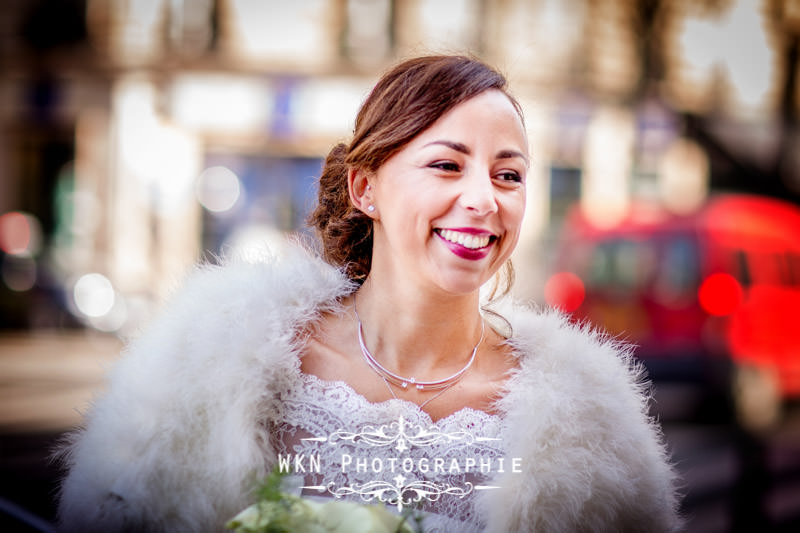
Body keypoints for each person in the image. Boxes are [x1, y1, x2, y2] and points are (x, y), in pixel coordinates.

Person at [57, 55, 680, 532]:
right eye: (446, 164)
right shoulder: (212, 358)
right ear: (366, 188)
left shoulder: (590, 417)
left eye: (508, 175)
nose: (485, 199)